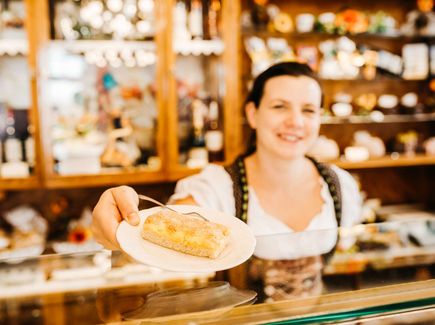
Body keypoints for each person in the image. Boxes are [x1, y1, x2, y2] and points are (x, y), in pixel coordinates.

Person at [92, 62, 362, 300]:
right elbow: (179, 220)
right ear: (253, 113)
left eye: (309, 110)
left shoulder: (340, 185)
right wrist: (122, 224)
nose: (295, 121)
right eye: (280, 107)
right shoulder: (218, 186)